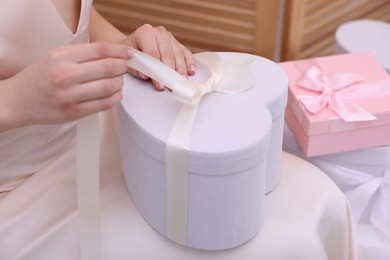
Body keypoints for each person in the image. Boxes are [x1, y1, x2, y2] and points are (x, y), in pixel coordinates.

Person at [0, 0, 195, 258]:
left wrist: (121, 47)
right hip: (20, 194)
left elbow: (63, 18)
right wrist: (14, 99)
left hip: (105, 130)